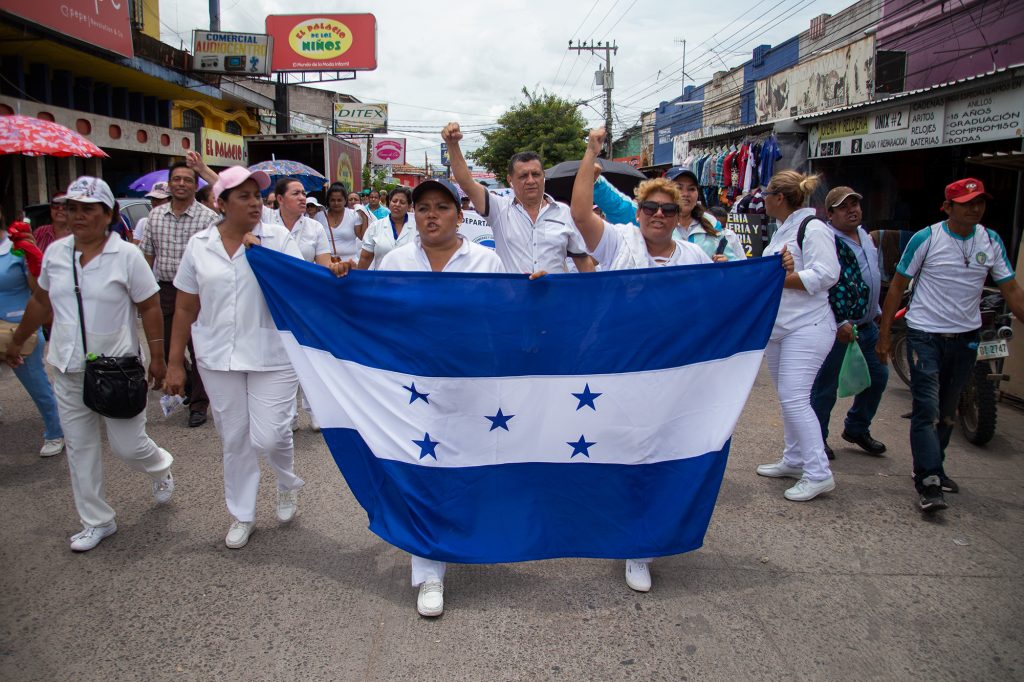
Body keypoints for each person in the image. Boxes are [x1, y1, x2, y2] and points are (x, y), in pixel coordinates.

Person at [335, 178, 503, 617]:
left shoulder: (487, 261)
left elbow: (510, 317)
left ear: (458, 214)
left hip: (470, 386)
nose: (431, 215)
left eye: (441, 207)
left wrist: (540, 291)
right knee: (423, 468)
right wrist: (340, 280)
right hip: (410, 389)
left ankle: (464, 537)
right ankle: (429, 569)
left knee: (466, 466)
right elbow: (368, 312)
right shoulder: (396, 261)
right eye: (423, 207)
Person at [571, 128, 712, 592]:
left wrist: (779, 273)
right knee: (620, 448)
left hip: (672, 376)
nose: (657, 214)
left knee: (658, 454)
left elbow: (726, 298)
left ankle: (640, 546)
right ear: (638, 212)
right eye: (649, 207)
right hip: (618, 370)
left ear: (678, 215)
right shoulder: (617, 243)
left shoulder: (694, 257)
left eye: (667, 209)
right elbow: (578, 212)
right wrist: (591, 153)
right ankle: (617, 525)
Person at [4, 177, 174, 552]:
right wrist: (18, 341)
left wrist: (158, 357)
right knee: (81, 449)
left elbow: (148, 305)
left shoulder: (127, 255)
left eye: (88, 209)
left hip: (117, 369)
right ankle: (97, 520)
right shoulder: (56, 253)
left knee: (128, 446)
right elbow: (41, 302)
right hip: (66, 367)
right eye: (72, 208)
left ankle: (160, 466)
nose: (78, 216)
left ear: (108, 214)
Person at [166, 166, 306, 549]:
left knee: (272, 434)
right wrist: (175, 361)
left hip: (271, 355)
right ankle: (242, 513)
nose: (255, 203)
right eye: (243, 196)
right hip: (216, 357)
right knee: (235, 439)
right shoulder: (199, 245)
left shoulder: (276, 238)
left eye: (258, 196)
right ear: (221, 203)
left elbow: (301, 286)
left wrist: (267, 261)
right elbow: (184, 307)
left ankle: (286, 481)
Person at [877, 178, 1024, 512]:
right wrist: (885, 335)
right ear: (947, 207)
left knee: (946, 412)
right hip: (924, 335)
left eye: (980, 202)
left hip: (966, 339)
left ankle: (935, 466)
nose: (975, 208)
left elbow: (1011, 290)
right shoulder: (927, 239)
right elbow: (898, 287)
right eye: (967, 203)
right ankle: (928, 480)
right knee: (927, 409)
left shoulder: (991, 240)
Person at [755, 170, 840, 503]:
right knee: (788, 399)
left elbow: (826, 274)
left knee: (795, 399)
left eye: (766, 195)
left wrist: (778, 279)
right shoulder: (783, 229)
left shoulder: (813, 228)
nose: (762, 200)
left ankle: (818, 473)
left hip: (808, 326)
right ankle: (794, 459)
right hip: (781, 329)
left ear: (779, 198)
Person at [443, 122, 594, 274]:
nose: (530, 181)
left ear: (544, 176)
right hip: (512, 297)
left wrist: (598, 296)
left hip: (554, 297)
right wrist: (453, 145)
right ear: (510, 180)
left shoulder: (564, 212)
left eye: (535, 174)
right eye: (523, 176)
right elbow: (466, 183)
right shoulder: (499, 209)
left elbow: (582, 260)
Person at [810, 187, 888, 459]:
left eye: (855, 204)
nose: (852, 210)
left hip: (867, 325)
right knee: (826, 387)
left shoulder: (865, 235)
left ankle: (856, 427)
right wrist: (840, 319)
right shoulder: (827, 240)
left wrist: (875, 309)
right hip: (838, 327)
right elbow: (825, 284)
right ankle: (817, 440)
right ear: (830, 214)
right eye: (844, 207)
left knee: (878, 378)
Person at [140, 161, 219, 428]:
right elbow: (147, 255)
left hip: (197, 292)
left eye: (187, 180)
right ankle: (181, 380)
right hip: (164, 289)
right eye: (177, 179)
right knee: (164, 347)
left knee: (197, 349)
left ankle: (198, 404)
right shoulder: (155, 216)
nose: (182, 184)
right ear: (170, 184)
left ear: (195, 186)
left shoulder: (208, 218)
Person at [0, 217, 64, 456]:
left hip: (18, 328)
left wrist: (30, 255)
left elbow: (38, 290)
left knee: (36, 383)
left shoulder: (17, 248)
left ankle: (55, 431)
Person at [593, 166, 745, 262]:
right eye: (679, 187)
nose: (685, 194)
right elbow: (617, 205)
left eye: (691, 189)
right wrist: (594, 180)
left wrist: (726, 267)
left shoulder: (716, 229)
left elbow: (740, 273)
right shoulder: (649, 216)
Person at [266, 178, 333, 267]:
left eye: (303, 193)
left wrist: (338, 269)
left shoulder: (316, 227)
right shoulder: (266, 221)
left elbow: (325, 266)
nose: (302, 198)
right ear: (280, 199)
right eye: (296, 193)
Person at [357, 186, 416, 270]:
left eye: (402, 202)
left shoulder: (418, 226)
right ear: (389, 203)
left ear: (409, 206)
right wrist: (359, 279)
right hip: (382, 280)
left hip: (410, 280)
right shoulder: (376, 227)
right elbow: (365, 258)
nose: (397, 205)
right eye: (394, 201)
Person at [316, 183, 367, 263]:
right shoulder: (319, 216)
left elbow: (362, 237)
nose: (336, 203)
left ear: (345, 200)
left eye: (339, 200)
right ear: (328, 200)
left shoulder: (353, 215)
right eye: (332, 200)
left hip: (350, 264)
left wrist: (365, 218)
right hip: (326, 265)